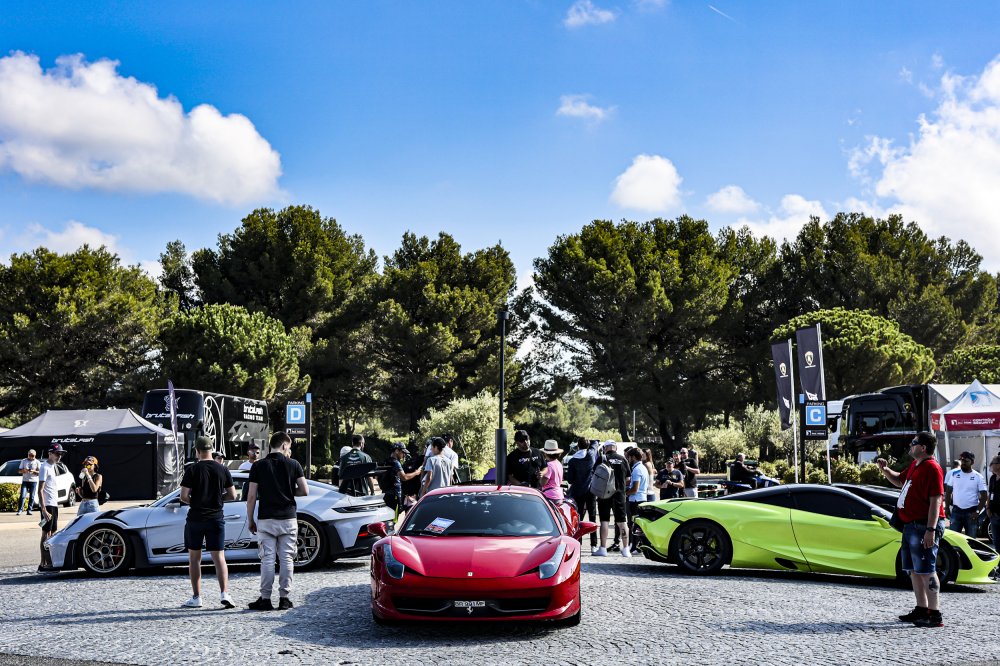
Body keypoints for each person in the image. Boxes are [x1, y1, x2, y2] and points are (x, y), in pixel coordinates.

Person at [877, 431, 945, 628]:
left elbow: (936, 500)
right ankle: (921, 608)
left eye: (913, 443)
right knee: (913, 570)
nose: (910, 445)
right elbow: (900, 481)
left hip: (924, 525)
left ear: (923, 448)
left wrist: (931, 529)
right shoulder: (916, 465)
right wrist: (885, 470)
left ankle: (935, 613)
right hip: (910, 525)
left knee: (927, 570)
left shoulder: (932, 468)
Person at [246, 431, 308, 611]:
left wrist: (250, 520)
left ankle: (265, 599)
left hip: (266, 519)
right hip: (288, 518)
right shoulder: (294, 464)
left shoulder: (258, 466)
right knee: (287, 558)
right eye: (289, 447)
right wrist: (288, 491)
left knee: (267, 559)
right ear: (284, 445)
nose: (289, 451)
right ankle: (284, 598)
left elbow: (251, 497)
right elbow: (304, 490)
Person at [179, 436, 236, 609]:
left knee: (194, 559)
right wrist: (217, 500)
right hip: (216, 518)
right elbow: (233, 495)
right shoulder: (222, 469)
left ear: (197, 451)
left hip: (195, 518)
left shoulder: (192, 469)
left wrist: (197, 502)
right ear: (211, 450)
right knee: (219, 557)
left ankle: (197, 597)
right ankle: (224, 593)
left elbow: (183, 496)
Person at [592, 441, 631, 557]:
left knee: (604, 521)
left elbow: (594, 474)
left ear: (605, 448)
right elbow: (628, 478)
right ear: (616, 448)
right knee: (622, 522)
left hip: (604, 494)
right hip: (619, 494)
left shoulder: (602, 458)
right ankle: (626, 549)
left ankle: (603, 548)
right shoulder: (623, 459)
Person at [37, 444, 66, 572]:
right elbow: (40, 490)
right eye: (57, 454)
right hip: (47, 505)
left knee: (53, 533)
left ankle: (50, 562)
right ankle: (44, 564)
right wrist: (43, 509)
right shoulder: (44, 467)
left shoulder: (53, 466)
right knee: (46, 533)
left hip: (53, 504)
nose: (59, 456)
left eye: (61, 454)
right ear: (50, 453)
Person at [566, 437, 598, 550]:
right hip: (591, 490)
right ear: (588, 446)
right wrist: (592, 442)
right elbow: (595, 444)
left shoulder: (572, 461)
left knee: (578, 517)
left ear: (577, 446)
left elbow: (570, 480)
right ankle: (594, 545)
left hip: (578, 491)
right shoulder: (591, 455)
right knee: (592, 517)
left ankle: (578, 542)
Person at [946, 451, 987, 537]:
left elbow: (984, 496)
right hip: (956, 511)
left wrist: (977, 512)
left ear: (972, 462)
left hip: (971, 512)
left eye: (966, 461)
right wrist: (946, 508)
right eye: (962, 460)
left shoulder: (978, 476)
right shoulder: (954, 474)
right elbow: (948, 492)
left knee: (971, 540)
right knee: (954, 539)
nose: (963, 463)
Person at [625, 447, 650, 556]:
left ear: (633, 457)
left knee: (635, 525)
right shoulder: (642, 467)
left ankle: (637, 547)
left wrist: (625, 493)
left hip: (636, 500)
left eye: (629, 457)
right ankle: (635, 546)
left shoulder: (637, 469)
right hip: (641, 498)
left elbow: (635, 489)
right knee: (636, 525)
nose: (628, 459)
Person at [384, 443, 421, 515]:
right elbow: (404, 477)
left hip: (387, 493)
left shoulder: (386, 461)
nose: (404, 455)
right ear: (397, 451)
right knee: (394, 516)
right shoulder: (396, 462)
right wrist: (416, 473)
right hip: (395, 494)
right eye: (403, 452)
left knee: (389, 515)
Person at [16, 449, 39, 516]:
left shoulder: (37, 462)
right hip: (25, 481)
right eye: (30, 455)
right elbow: (19, 471)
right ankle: (20, 510)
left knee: (32, 496)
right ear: (28, 455)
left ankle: (29, 510)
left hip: (33, 481)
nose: (31, 457)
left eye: (33, 455)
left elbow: (39, 472)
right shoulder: (24, 461)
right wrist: (24, 470)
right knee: (23, 495)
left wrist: (33, 471)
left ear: (35, 455)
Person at [986, 456, 1000, 554]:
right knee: (997, 542)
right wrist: (987, 508)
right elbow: (990, 494)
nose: (990, 465)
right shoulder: (992, 478)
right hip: (993, 515)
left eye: (992, 463)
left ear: (999, 465)